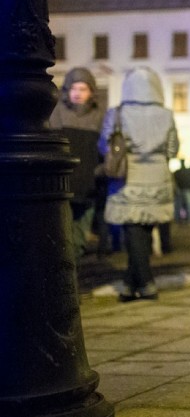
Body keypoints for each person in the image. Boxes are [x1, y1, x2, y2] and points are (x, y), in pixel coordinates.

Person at [100, 67, 178, 301]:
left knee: (132, 229)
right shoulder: (166, 115)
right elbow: (172, 149)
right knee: (144, 231)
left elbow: (105, 145)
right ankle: (131, 283)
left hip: (128, 178)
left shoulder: (117, 114)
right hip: (157, 178)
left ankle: (143, 283)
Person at [49, 67, 105, 260]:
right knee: (62, 238)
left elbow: (103, 151)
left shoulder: (99, 117)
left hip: (88, 187)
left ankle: (74, 282)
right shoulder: (57, 113)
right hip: (62, 187)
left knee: (79, 240)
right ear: (67, 90)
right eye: (74, 88)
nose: (78, 93)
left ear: (91, 92)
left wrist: (98, 172)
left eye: (83, 89)